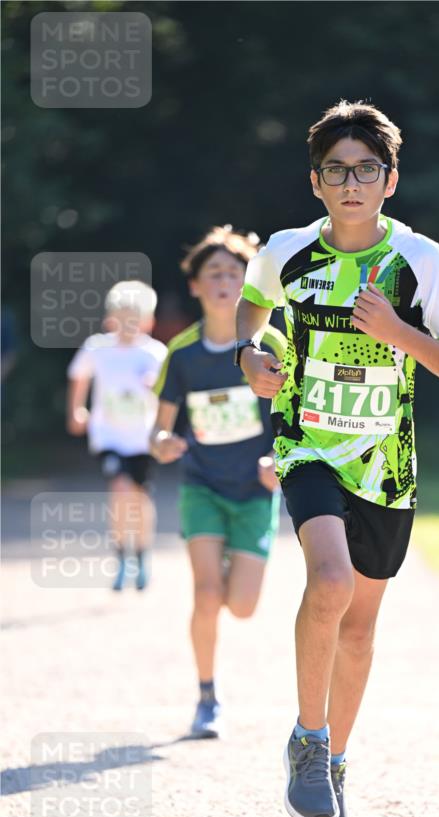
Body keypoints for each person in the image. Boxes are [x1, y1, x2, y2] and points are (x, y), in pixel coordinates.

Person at [237, 100, 439, 817]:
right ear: (316, 182)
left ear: (390, 179)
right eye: (336, 171)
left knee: (358, 629)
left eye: (365, 170)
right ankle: (308, 739)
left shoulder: (420, 261)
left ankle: (332, 762)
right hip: (307, 445)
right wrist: (249, 360)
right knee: (330, 582)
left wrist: (400, 334)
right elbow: (251, 319)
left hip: (386, 466)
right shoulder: (284, 251)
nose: (351, 184)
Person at [151, 226, 286, 739]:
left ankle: (234, 559)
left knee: (243, 607)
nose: (226, 281)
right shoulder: (181, 354)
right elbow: (161, 427)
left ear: (249, 283)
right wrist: (163, 442)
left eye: (235, 272)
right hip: (202, 485)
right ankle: (207, 695)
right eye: (215, 273)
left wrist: (279, 456)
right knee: (206, 594)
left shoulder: (270, 341)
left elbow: (297, 411)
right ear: (196, 286)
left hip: (255, 491)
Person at [67, 281, 166, 591]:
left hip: (143, 439)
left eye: (136, 318)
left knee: (140, 498)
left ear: (149, 321)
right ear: (109, 319)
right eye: (122, 317)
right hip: (109, 437)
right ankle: (122, 557)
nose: (129, 325)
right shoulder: (97, 348)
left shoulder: (155, 353)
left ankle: (142, 553)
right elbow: (78, 376)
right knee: (120, 490)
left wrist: (156, 388)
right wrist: (76, 410)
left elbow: (171, 395)